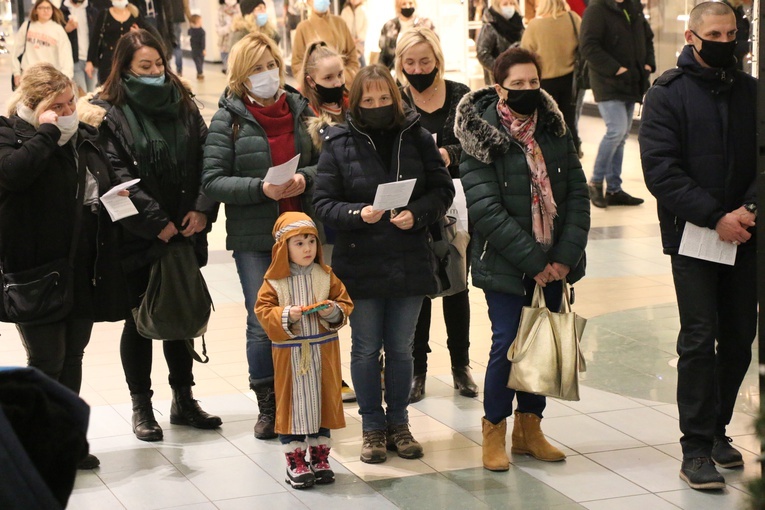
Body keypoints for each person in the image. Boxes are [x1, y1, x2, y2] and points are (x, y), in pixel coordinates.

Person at [81, 29, 221, 442]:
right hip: (138, 233)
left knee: (178, 310)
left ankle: (184, 400)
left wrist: (201, 207)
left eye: (159, 64)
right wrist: (156, 221)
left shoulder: (184, 102)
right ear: (124, 67)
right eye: (146, 66)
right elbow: (115, 174)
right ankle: (142, 406)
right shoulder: (107, 111)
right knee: (139, 318)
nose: (156, 72)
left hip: (185, 224)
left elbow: (205, 155)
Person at [639, 1, 756, 491]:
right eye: (715, 33)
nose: (725, 41)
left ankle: (718, 429)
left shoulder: (752, 91)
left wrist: (748, 211)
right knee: (699, 337)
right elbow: (660, 170)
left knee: (738, 339)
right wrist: (715, 216)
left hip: (748, 234)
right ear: (691, 37)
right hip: (695, 236)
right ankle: (695, 448)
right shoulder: (667, 94)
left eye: (732, 33)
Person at [455, 47, 590, 471]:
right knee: (509, 344)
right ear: (500, 87)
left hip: (556, 262)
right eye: (518, 84)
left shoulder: (554, 127)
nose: (528, 90)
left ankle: (530, 430)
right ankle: (494, 428)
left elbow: (578, 195)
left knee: (543, 344)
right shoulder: (480, 135)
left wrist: (564, 258)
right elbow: (485, 208)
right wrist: (534, 261)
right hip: (507, 262)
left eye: (534, 83)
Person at [313, 64, 454, 464]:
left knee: (401, 349)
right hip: (361, 261)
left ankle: (399, 424)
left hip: (409, 259)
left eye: (383, 98)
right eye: (368, 100)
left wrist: (418, 214)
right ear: (355, 103)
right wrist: (359, 214)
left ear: (395, 96)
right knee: (364, 348)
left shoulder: (418, 137)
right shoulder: (338, 141)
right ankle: (372, 427)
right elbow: (323, 203)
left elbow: (442, 189)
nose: (376, 105)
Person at [0, 62, 131, 470]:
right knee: (46, 361)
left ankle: (66, 440)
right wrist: (47, 132)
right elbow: (13, 175)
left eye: (72, 100)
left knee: (73, 356)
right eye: (59, 104)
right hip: (33, 270)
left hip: (81, 267)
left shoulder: (84, 137)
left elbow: (103, 180)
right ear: (35, 106)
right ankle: (37, 449)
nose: (70, 109)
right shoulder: (9, 134)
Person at [201, 32, 320, 440]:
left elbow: (329, 165)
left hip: (304, 234)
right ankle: (268, 405)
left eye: (270, 65)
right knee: (262, 322)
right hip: (257, 239)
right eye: (256, 68)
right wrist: (260, 189)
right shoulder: (227, 119)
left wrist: (306, 178)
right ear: (239, 75)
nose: (266, 74)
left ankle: (306, 398)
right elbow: (213, 181)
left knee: (309, 316)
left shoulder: (302, 109)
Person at [393, 27, 476, 403]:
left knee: (458, 283)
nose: (417, 68)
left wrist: (449, 155)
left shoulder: (461, 97)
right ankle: (418, 370)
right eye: (409, 62)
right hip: (412, 205)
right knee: (420, 289)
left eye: (425, 61)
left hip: (456, 203)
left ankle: (461, 365)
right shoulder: (396, 99)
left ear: (438, 60)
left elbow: (475, 143)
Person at [255, 212, 353, 489]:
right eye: (298, 243)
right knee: (293, 406)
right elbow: (263, 312)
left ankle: (320, 458)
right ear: (282, 248)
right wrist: (287, 315)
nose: (308, 248)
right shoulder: (273, 282)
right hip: (291, 354)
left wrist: (335, 311)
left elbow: (344, 302)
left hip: (324, 352)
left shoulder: (326, 275)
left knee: (322, 401)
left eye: (311, 241)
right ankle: (295, 461)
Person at [300, 40, 357, 403]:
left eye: (340, 74)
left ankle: (370, 368)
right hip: (323, 224)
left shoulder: (357, 107)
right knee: (324, 304)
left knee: (356, 301)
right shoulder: (303, 114)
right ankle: (330, 377)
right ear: (311, 79)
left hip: (358, 220)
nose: (336, 82)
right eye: (328, 77)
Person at [579, 0, 654, 208]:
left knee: (621, 136)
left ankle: (614, 188)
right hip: (608, 82)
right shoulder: (596, 10)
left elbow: (647, 37)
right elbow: (588, 46)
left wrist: (648, 63)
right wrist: (615, 69)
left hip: (633, 81)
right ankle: (595, 181)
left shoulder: (633, 7)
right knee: (616, 131)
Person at [521, 0, 582, 154]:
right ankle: (573, 156)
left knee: (546, 124)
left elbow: (525, 54)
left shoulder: (534, 26)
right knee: (569, 122)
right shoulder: (572, 18)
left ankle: (551, 158)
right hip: (571, 80)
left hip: (545, 82)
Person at [291, 0, 359, 87]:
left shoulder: (340, 23)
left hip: (344, 85)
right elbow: (297, 63)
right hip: (317, 89)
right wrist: (312, 82)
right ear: (308, 2)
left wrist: (347, 76)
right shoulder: (303, 28)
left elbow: (352, 56)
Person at [86, 0, 151, 85]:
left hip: (129, 59)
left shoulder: (134, 14)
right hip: (108, 61)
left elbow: (144, 36)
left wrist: (137, 32)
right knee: (109, 90)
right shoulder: (104, 14)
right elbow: (95, 38)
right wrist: (90, 61)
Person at [12, 0, 74, 89]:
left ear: (53, 10)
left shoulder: (58, 30)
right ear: (36, 10)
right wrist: (16, 73)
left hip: (49, 78)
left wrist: (66, 78)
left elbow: (66, 56)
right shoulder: (27, 26)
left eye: (48, 8)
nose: (46, 11)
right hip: (28, 76)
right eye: (42, 8)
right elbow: (16, 50)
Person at [475, 0, 523, 85]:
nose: (509, 7)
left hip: (519, 76)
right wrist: (500, 69)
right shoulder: (491, 26)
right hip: (498, 80)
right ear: (497, 6)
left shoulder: (518, 24)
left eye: (512, 3)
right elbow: (482, 53)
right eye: (505, 4)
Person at [378, 0, 434, 71]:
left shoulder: (425, 24)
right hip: (394, 70)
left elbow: (435, 47)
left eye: (410, 3)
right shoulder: (389, 26)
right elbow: (383, 52)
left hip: (420, 70)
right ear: (398, 6)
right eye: (404, 4)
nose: (407, 6)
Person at [61, 0, 99, 94]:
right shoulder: (61, 12)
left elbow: (97, 36)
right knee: (81, 95)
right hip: (74, 60)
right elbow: (55, 36)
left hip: (92, 60)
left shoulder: (93, 11)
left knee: (92, 95)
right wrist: (66, 30)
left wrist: (93, 59)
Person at [340, 0, 367, 67]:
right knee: (350, 58)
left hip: (359, 40)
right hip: (348, 40)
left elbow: (365, 26)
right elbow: (343, 26)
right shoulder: (345, 11)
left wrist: (359, 38)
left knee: (360, 58)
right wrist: (350, 38)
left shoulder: (363, 10)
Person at [217, 0, 241, 74]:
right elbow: (218, 30)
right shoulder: (220, 10)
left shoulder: (240, 7)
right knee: (230, 73)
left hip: (239, 44)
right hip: (225, 46)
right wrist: (230, 27)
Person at [188, 13, 205, 80]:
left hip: (200, 49)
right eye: (200, 21)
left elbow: (203, 41)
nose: (201, 23)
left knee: (201, 61)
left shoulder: (202, 31)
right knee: (197, 61)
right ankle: (200, 73)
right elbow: (188, 33)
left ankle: (199, 72)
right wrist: (191, 26)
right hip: (194, 49)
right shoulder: (191, 30)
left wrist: (204, 49)